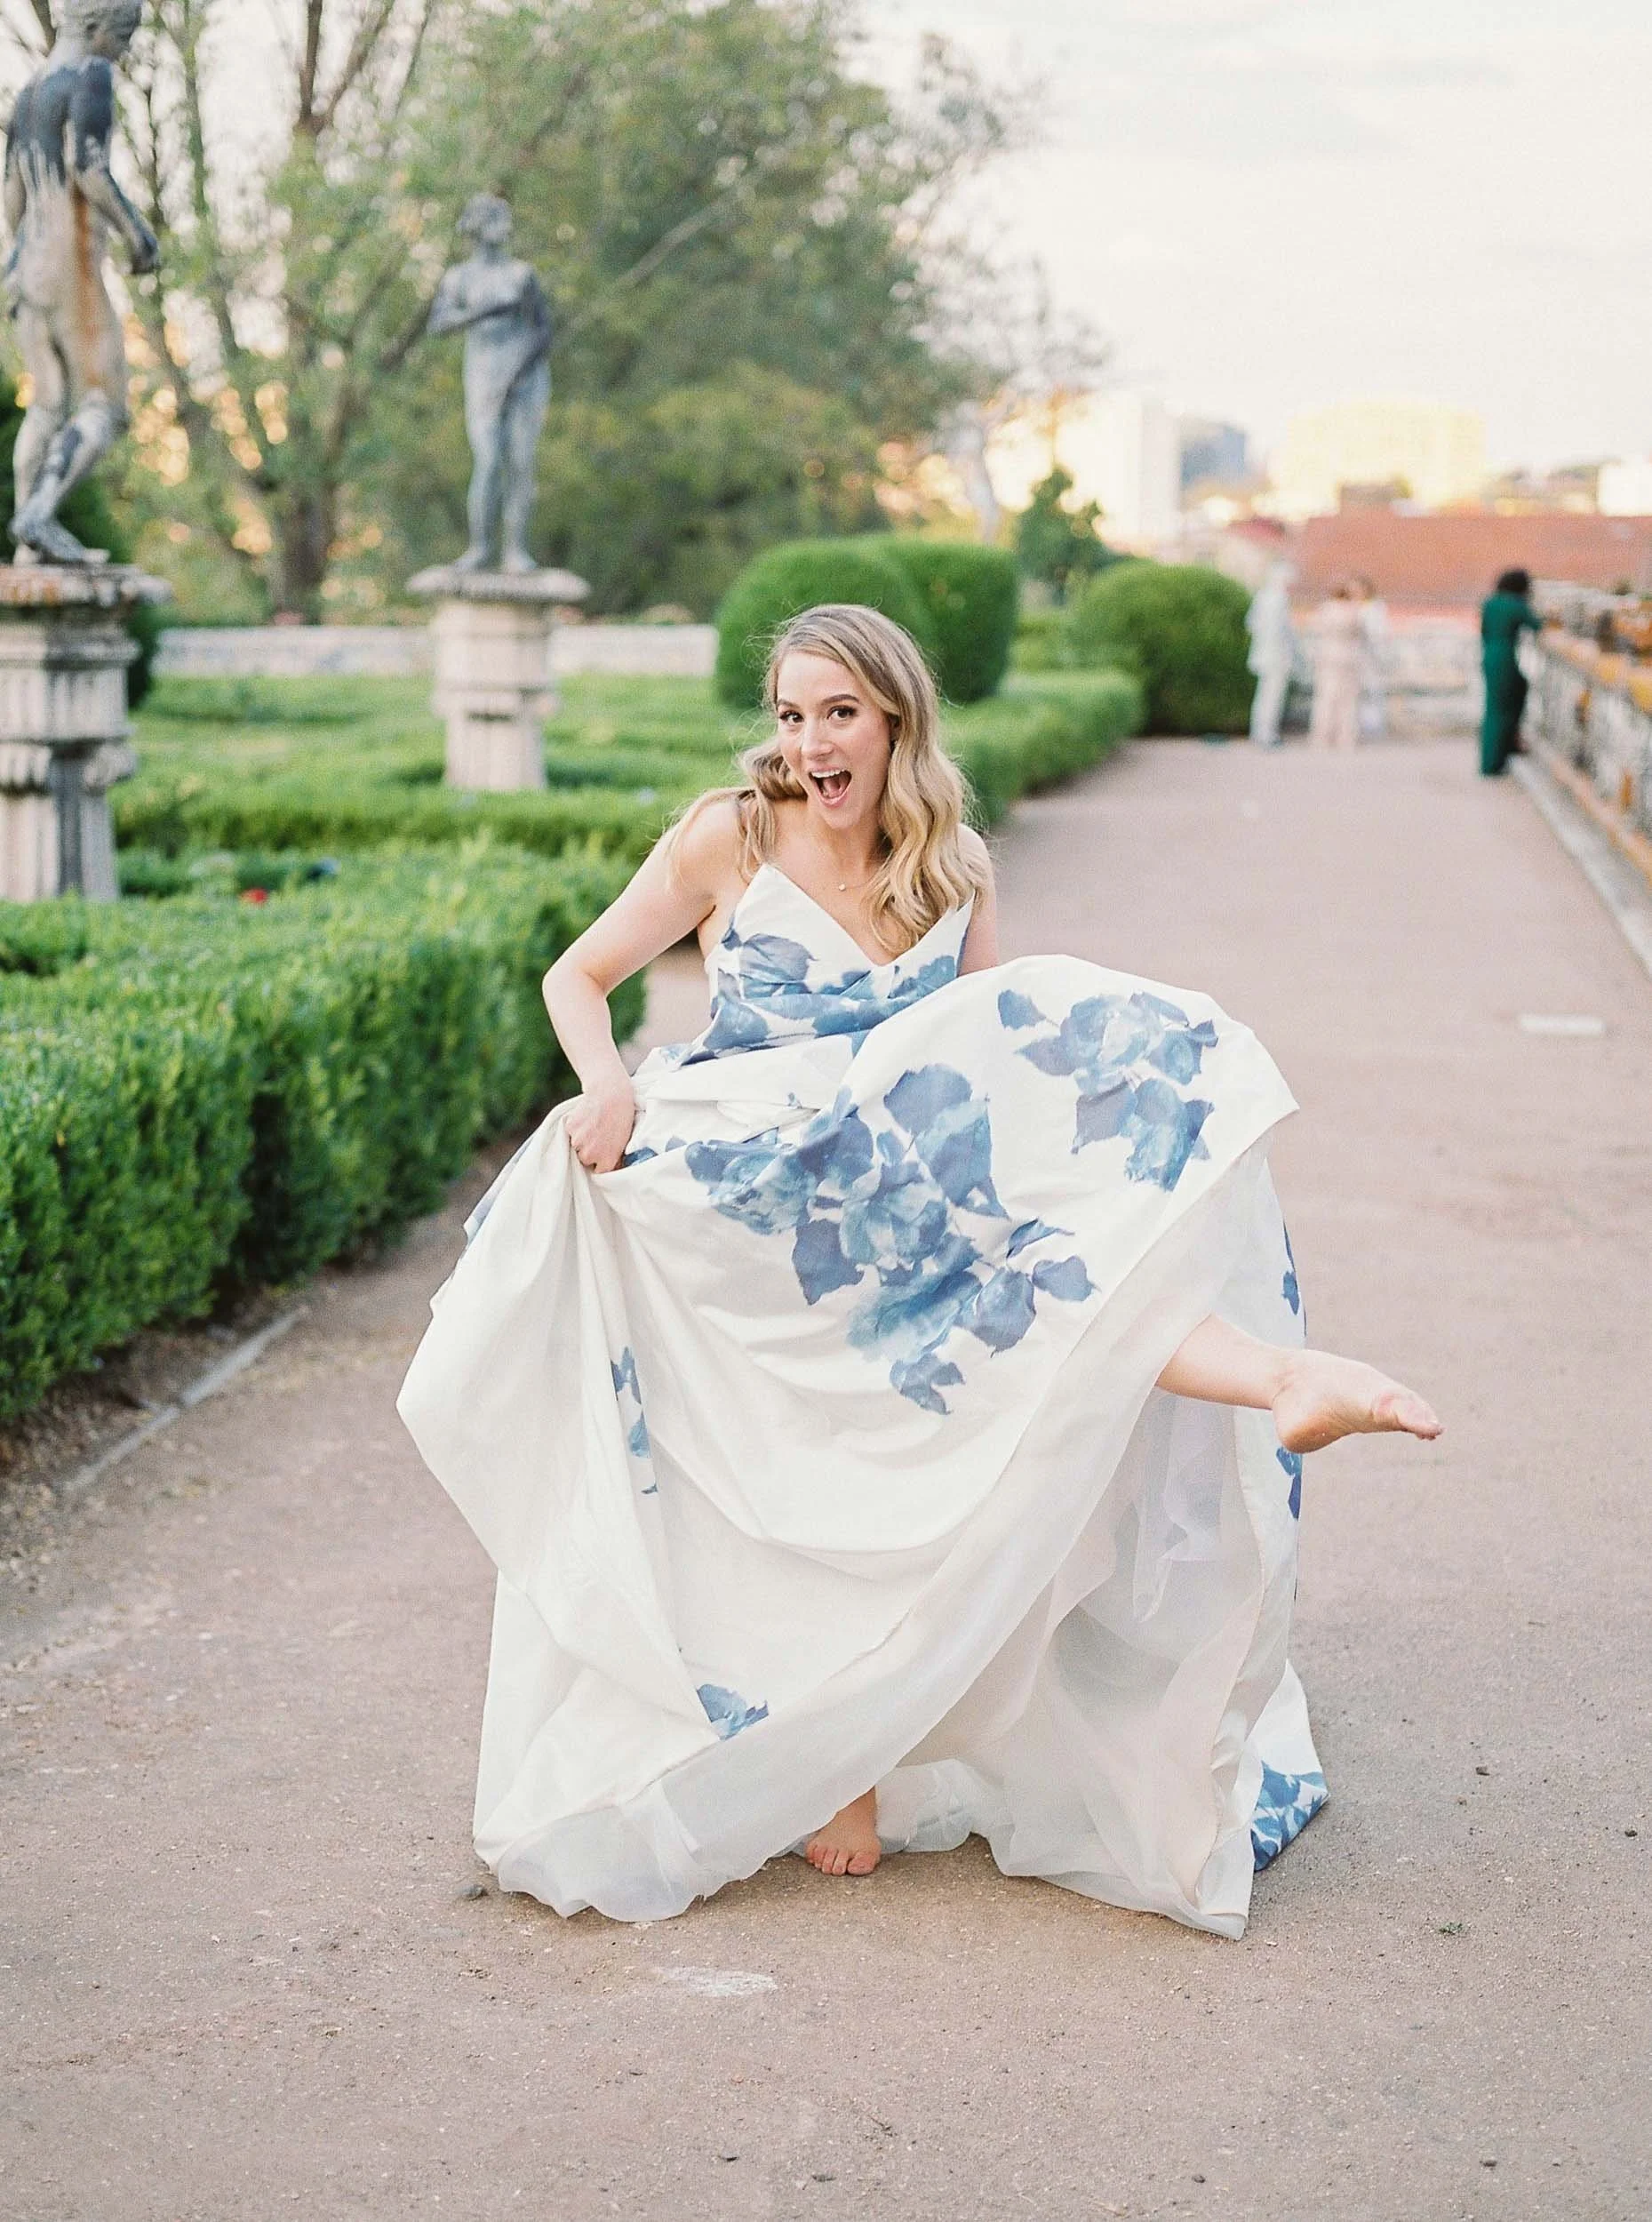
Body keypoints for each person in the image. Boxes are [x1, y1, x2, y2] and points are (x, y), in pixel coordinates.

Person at [398, 603, 1440, 1937]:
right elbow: (577, 975)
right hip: (753, 1186)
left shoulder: (951, 858)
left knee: (1066, 1278)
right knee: (807, 1477)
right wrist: (604, 1088)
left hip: (895, 1190)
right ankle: (834, 1752)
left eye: (836, 713)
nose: (807, 742)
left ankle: (1283, 1372)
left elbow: (998, 1047)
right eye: (787, 714)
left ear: (893, 717)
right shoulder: (732, 832)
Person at [3, 0, 159, 563]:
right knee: (105, 403)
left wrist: (27, 255)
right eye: (124, 36)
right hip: (69, 257)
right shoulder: (89, 75)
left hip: (24, 265)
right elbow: (88, 167)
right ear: (98, 29)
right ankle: (38, 516)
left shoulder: (27, 94)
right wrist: (138, 233)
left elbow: (11, 199)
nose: (123, 50)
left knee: (47, 405)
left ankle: (29, 548)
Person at [426, 195, 551, 574]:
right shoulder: (459, 277)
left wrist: (518, 372)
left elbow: (544, 330)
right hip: (482, 373)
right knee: (488, 461)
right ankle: (479, 548)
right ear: (477, 226)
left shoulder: (521, 274)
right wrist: (487, 309)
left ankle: (516, 551)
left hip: (526, 376)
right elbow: (439, 325)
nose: (504, 225)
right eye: (496, 218)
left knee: (521, 464)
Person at [1479, 568, 1540, 777]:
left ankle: (1492, 759)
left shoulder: (1489, 603)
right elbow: (1537, 625)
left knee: (1494, 708)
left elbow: (1484, 630)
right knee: (1503, 709)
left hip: (1489, 655)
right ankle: (1495, 760)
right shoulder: (1516, 605)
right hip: (1505, 657)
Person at [1307, 579, 1363, 750]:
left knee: (1326, 698)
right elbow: (1361, 633)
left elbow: (1316, 630)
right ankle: (1345, 738)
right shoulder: (1352, 610)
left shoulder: (1326, 609)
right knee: (1348, 701)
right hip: (1348, 657)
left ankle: (1321, 738)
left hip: (1328, 657)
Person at [1245, 562, 1296, 747]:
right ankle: (1266, 733)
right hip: (1276, 656)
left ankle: (1259, 731)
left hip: (1264, 654)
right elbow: (1281, 632)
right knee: (1272, 696)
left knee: (1264, 695)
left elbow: (1251, 624)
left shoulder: (1263, 596)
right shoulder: (1279, 599)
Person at [1354, 575, 1390, 740]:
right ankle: (1359, 725)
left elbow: (1378, 632)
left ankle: (1374, 727)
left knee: (1373, 690)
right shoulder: (1354, 607)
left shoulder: (1375, 607)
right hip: (1356, 655)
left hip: (1371, 654)